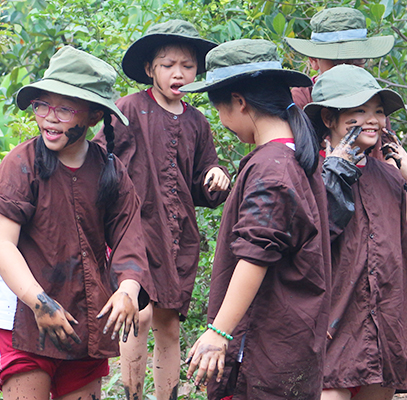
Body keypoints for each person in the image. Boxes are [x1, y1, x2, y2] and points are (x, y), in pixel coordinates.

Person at [0, 45, 153, 400]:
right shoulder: (21, 164)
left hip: (84, 319)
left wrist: (127, 290)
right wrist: (39, 302)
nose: (49, 118)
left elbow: (130, 240)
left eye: (64, 109)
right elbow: (0, 244)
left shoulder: (111, 171)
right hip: (25, 318)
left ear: (92, 116)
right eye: (42, 106)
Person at [180, 39, 331, 400]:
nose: (221, 121)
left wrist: (220, 333)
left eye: (219, 109)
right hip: (293, 343)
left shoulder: (271, 169)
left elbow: (255, 255)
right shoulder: (296, 158)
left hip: (266, 348)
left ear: (239, 102)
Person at [94, 20, 230, 400]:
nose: (179, 74)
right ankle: (132, 394)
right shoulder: (128, 109)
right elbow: (97, 159)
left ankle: (167, 395)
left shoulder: (197, 122)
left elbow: (204, 175)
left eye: (187, 66)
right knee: (138, 315)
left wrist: (217, 176)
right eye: (168, 65)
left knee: (169, 325)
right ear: (150, 69)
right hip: (134, 230)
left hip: (177, 236)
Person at [303, 64, 407, 399]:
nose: (373, 119)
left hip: (384, 320)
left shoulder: (388, 176)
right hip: (333, 323)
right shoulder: (309, 174)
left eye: (378, 111)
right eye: (359, 110)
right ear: (329, 119)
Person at [284, 7, 394, 109]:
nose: (347, 69)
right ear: (314, 60)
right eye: (337, 63)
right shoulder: (302, 96)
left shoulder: (372, 94)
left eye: (356, 60)